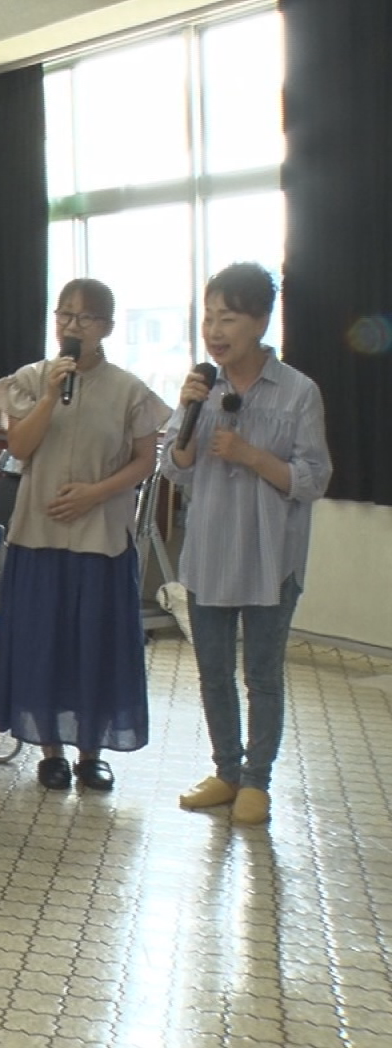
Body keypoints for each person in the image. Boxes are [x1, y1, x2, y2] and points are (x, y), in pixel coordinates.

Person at [0, 279, 172, 792]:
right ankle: (50, 751)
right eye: (64, 315)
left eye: (85, 318)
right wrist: (51, 395)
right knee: (43, 644)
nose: (72, 325)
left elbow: (145, 461)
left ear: (106, 327)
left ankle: (92, 752)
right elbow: (20, 446)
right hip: (39, 536)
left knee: (94, 645)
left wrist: (96, 493)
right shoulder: (29, 380)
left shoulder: (130, 390)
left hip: (101, 537)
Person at [163, 263, 331, 826]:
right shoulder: (201, 388)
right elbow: (175, 467)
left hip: (271, 557)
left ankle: (257, 781)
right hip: (209, 552)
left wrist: (252, 456)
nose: (214, 331)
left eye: (228, 318)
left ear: (259, 322)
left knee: (262, 676)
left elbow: (314, 478)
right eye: (208, 318)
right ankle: (226, 771)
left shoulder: (298, 391)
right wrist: (189, 411)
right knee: (213, 674)